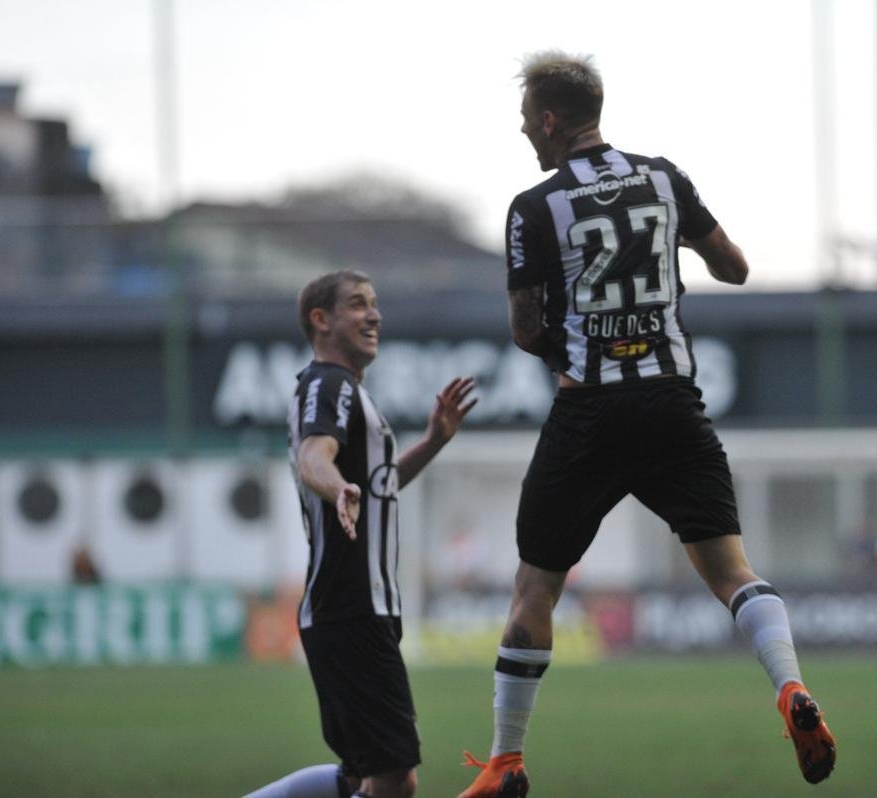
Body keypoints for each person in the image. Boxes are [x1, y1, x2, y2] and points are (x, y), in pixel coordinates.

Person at [456, 52, 836, 798]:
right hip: (671, 402)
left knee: (535, 590)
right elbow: (735, 267)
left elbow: (526, 325)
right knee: (733, 572)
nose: (526, 133)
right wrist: (668, 248)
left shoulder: (534, 207)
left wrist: (575, 345)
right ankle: (790, 688)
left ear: (552, 119)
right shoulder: (664, 178)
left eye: (528, 120)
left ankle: (506, 762)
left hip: (588, 413)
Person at [247, 270, 477, 798]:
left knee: (361, 774)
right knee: (395, 777)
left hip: (356, 610)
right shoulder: (329, 385)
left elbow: (379, 484)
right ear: (321, 320)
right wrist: (336, 488)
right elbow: (313, 457)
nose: (373, 315)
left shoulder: (346, 392)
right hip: (351, 607)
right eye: (357, 305)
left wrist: (434, 441)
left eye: (374, 304)